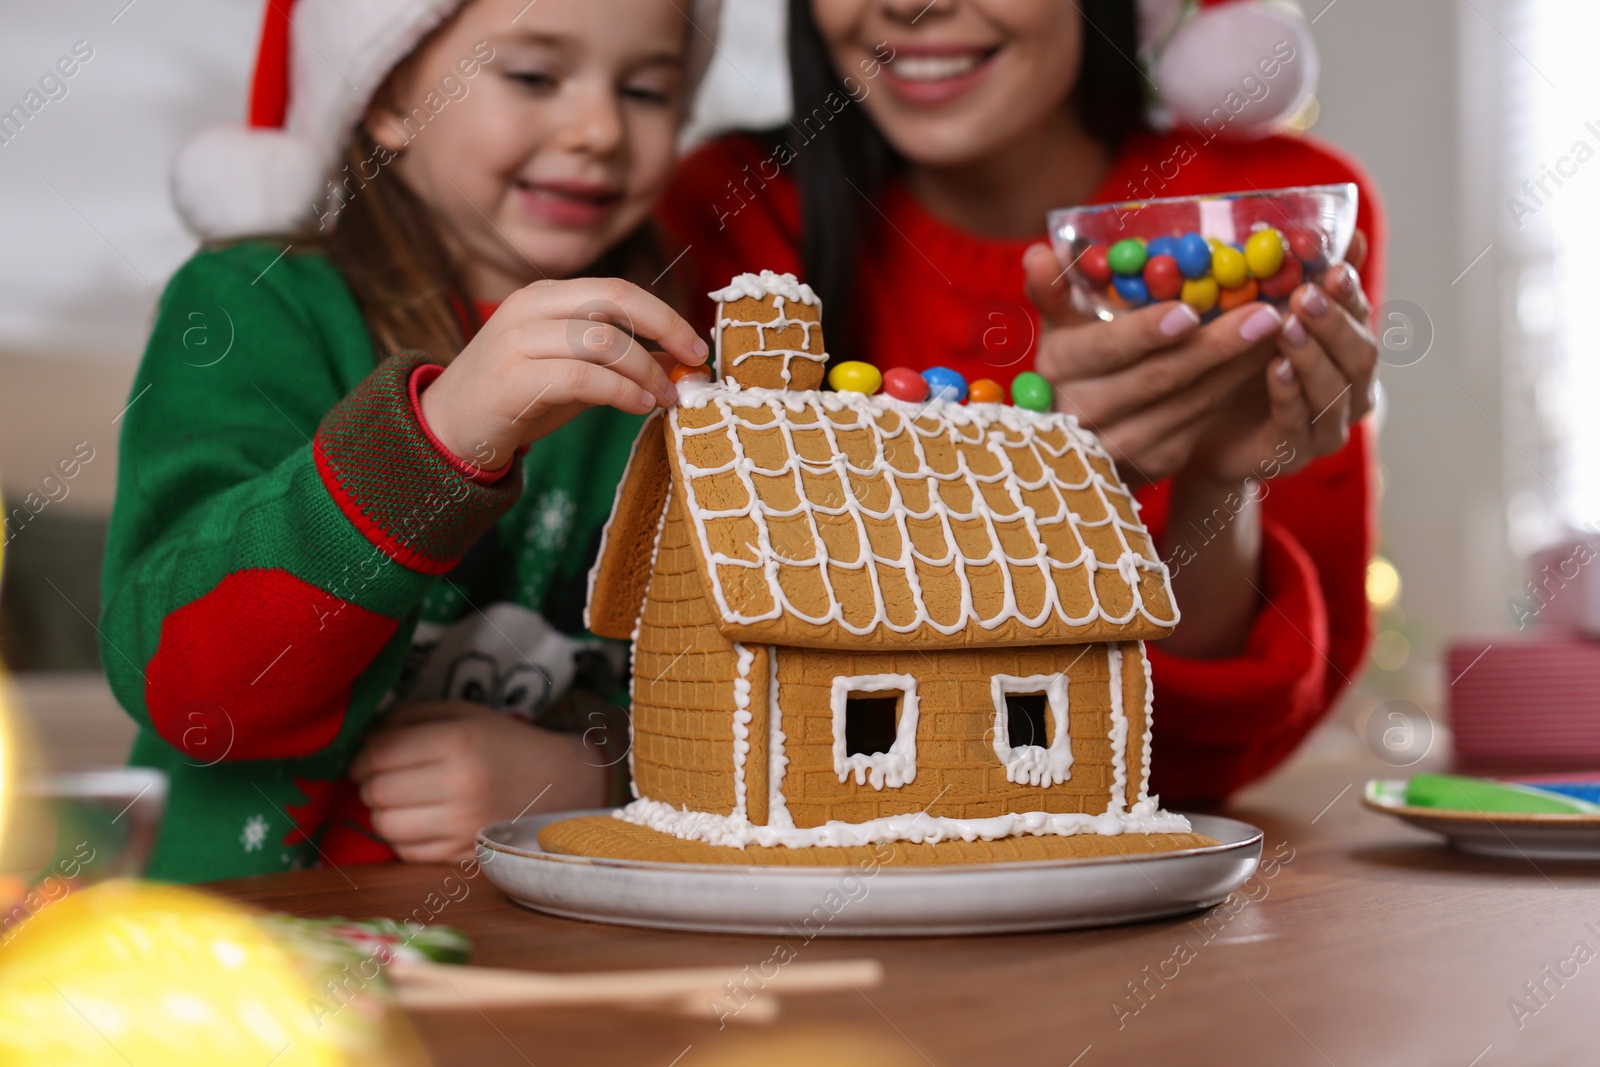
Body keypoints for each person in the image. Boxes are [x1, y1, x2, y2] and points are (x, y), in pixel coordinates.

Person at [660, 0, 1384, 802]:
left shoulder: (1265, 213)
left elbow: (1189, 775)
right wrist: (1057, 495)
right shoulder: (734, 210)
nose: (909, 5)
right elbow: (751, 717)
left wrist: (1218, 482)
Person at [100, 0, 717, 881]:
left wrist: (593, 768)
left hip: (543, 972)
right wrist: (438, 438)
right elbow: (185, 681)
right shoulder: (250, 302)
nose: (599, 130)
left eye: (649, 90)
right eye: (534, 75)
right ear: (389, 95)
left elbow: (741, 692)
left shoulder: (679, 367)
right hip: (237, 960)